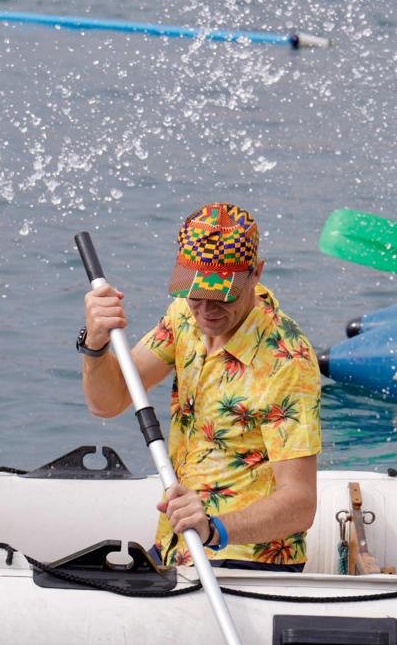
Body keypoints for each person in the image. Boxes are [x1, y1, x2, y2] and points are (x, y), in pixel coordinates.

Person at [80, 203, 321, 571]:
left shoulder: (287, 359)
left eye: (222, 296)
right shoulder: (182, 316)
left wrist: (214, 529)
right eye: (195, 294)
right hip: (178, 543)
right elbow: (108, 402)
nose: (206, 312)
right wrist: (96, 345)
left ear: (256, 274)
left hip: (245, 558)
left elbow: (300, 503)